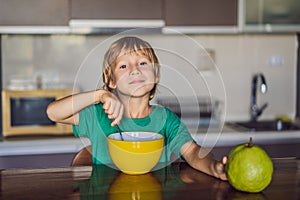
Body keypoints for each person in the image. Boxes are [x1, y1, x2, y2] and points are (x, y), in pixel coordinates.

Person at [46, 36, 227, 180]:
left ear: (155, 75)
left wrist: (214, 167)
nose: (135, 70)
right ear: (112, 81)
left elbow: (193, 152)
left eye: (142, 63)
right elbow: (53, 113)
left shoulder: (166, 119)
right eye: (124, 66)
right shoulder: (97, 115)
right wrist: (99, 95)